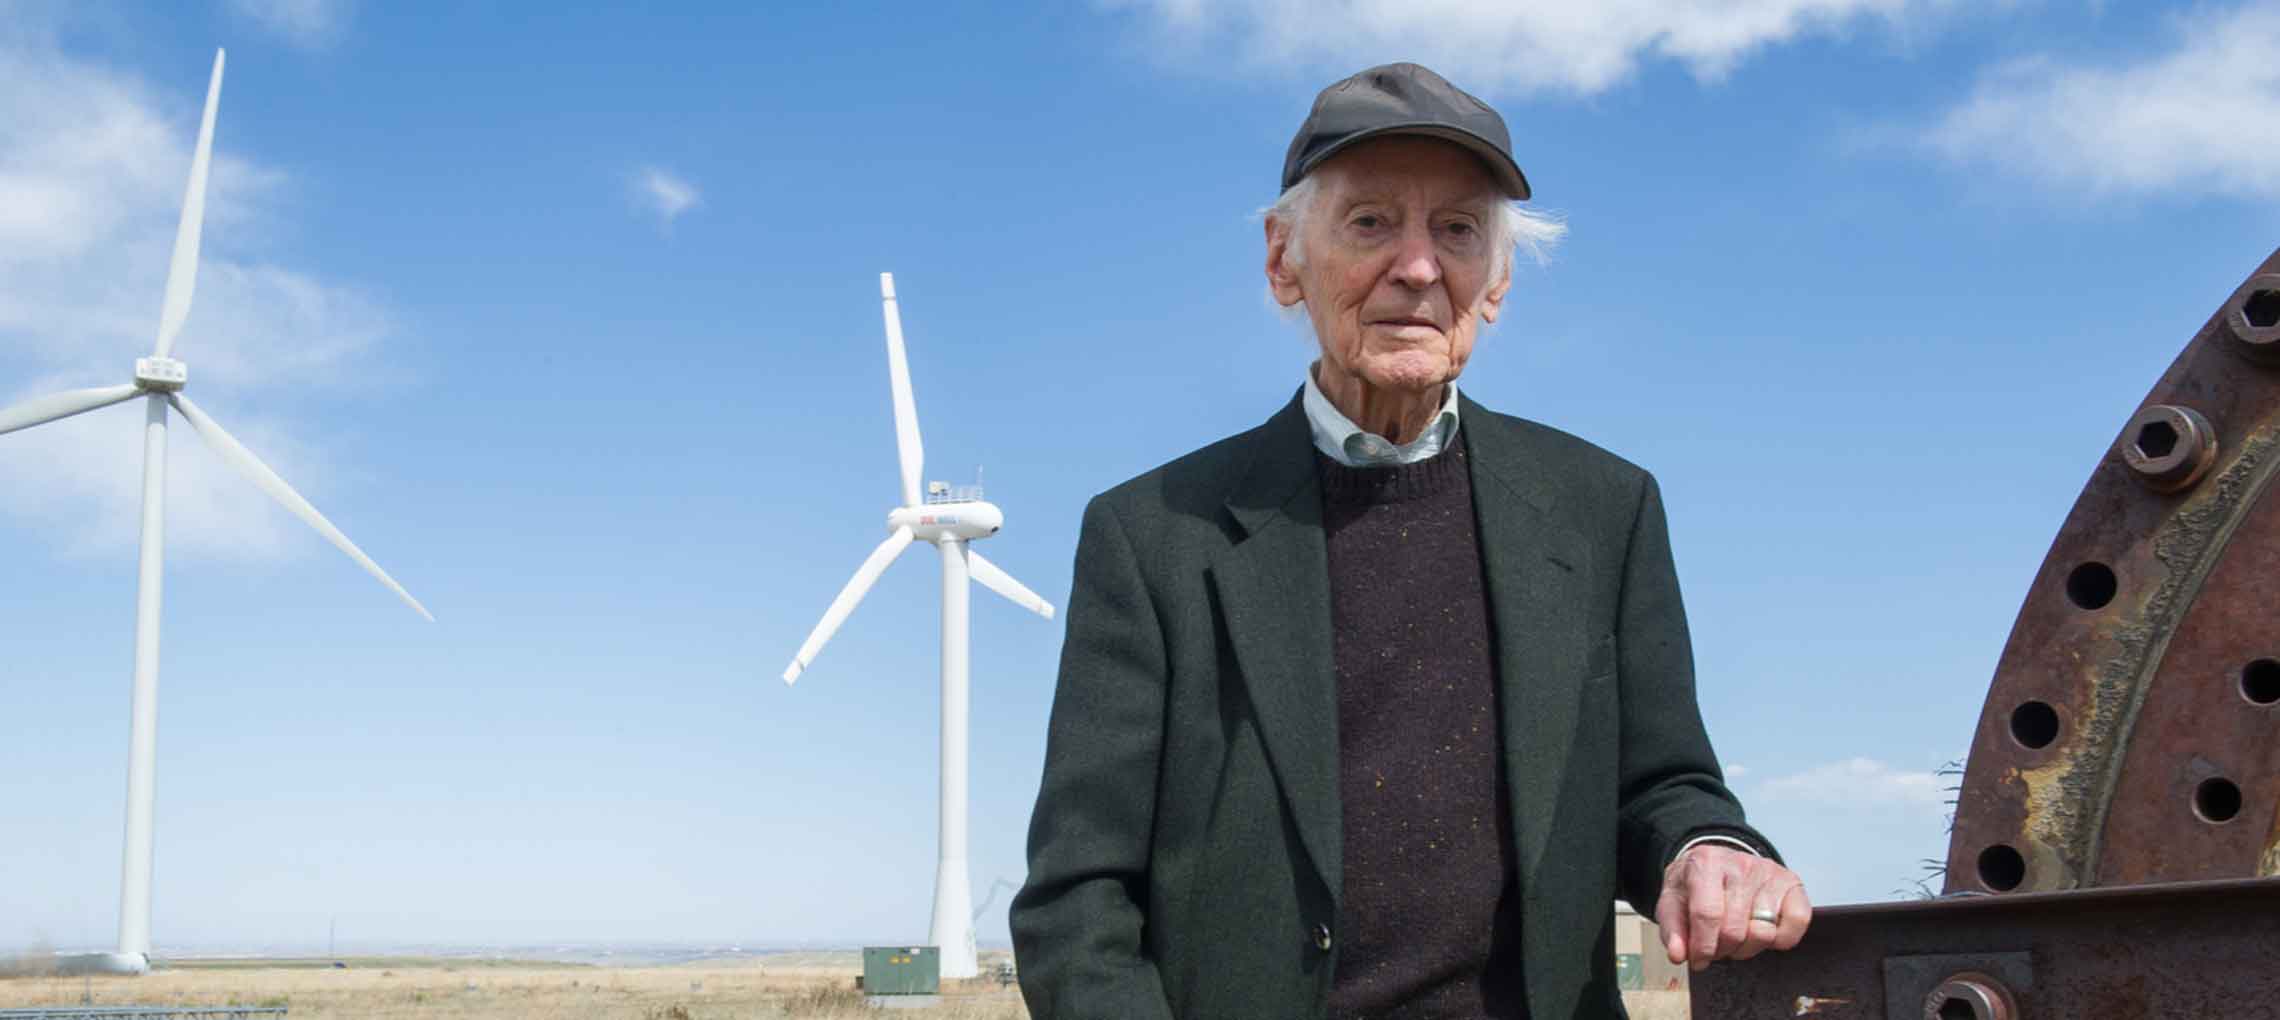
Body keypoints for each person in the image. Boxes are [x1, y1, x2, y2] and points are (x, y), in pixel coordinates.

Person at [1010, 62, 1810, 1019]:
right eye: (1370, 222)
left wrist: (1707, 850)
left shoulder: (1606, 508)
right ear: (1281, 259)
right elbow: (1078, 901)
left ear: (1497, 280)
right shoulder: (1151, 537)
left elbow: (1664, 785)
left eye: (1459, 231)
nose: (1420, 267)